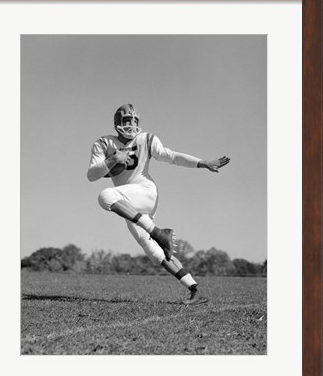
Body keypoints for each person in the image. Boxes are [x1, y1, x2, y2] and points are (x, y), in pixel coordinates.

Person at [87, 104, 230, 305]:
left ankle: (159, 232)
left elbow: (171, 156)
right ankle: (194, 289)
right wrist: (112, 159)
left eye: (134, 120)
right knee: (154, 252)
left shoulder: (146, 138)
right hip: (127, 202)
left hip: (145, 193)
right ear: (117, 123)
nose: (131, 124)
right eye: (127, 120)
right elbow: (91, 175)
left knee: (105, 197)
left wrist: (201, 162)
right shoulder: (104, 143)